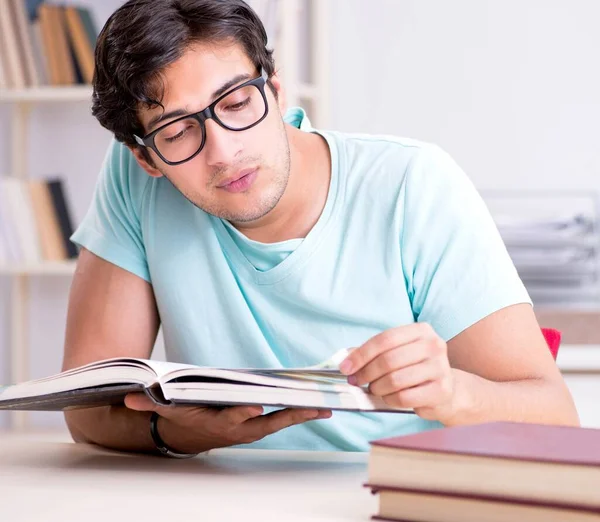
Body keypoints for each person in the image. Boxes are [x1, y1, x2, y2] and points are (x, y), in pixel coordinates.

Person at [63, 0, 579, 457]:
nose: (225, 152)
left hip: (390, 491)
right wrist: (185, 435)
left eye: (238, 104)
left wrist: (451, 392)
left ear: (277, 91)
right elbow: (86, 410)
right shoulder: (135, 181)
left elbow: (555, 416)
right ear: (146, 157)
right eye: (177, 133)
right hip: (219, 499)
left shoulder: (413, 184)